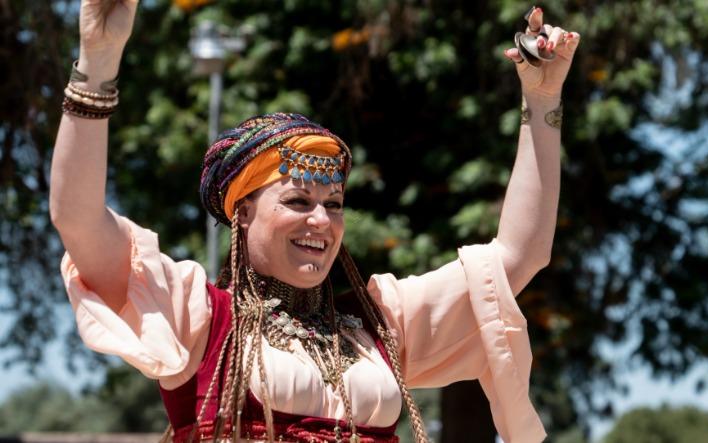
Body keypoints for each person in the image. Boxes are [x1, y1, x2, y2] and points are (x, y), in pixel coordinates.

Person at [50, 1, 580, 442]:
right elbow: (77, 219)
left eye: (334, 203)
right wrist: (97, 63)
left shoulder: (380, 327)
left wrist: (542, 98)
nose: (321, 220)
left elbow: (518, 256)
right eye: (298, 202)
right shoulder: (200, 319)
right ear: (243, 214)